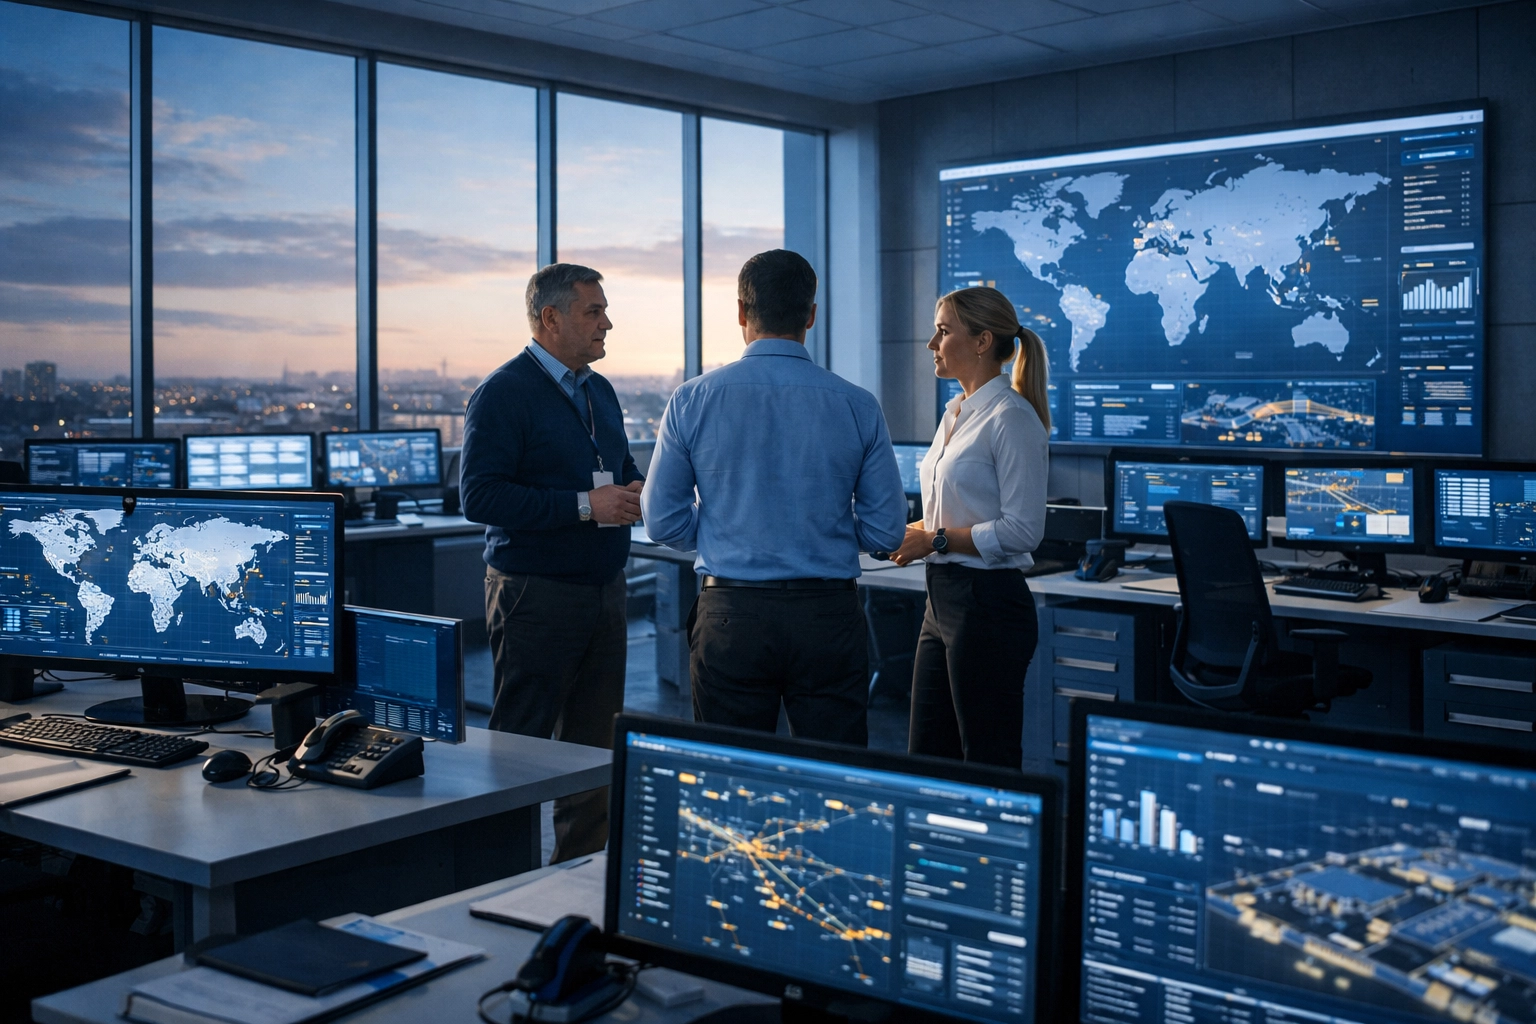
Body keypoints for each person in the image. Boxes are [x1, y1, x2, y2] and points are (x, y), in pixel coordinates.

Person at [642, 249, 907, 746]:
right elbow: (885, 532)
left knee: (730, 776)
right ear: (810, 315)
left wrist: (729, 527)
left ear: (741, 312)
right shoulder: (857, 404)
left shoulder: (691, 399)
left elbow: (661, 521)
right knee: (834, 777)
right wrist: (817, 528)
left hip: (731, 615)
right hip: (828, 616)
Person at [459, 263, 643, 863]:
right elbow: (479, 497)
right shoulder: (503, 392)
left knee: (594, 751)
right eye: (594, 311)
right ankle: (498, 875)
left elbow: (615, 470)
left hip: (603, 590)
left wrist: (642, 489)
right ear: (551, 318)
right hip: (534, 594)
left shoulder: (599, 389)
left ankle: (578, 877)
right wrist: (586, 507)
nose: (607, 322)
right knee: (520, 747)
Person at [889, 286, 1049, 768]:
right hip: (943, 598)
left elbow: (1022, 531)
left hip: (989, 604)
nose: (931, 343)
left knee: (987, 758)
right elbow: (954, 510)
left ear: (982, 341)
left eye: (942, 331)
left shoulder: (1012, 418)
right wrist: (905, 532)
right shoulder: (955, 412)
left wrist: (934, 539)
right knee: (927, 755)